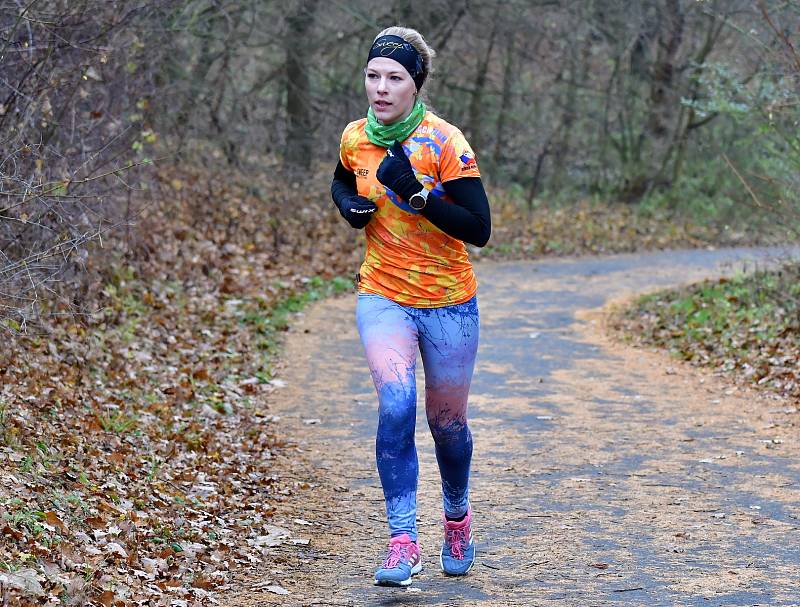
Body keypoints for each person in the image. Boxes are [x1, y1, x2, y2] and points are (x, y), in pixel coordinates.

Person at [330, 25, 491, 587]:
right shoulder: (356, 137)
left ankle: (457, 518)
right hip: (382, 294)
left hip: (449, 301)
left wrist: (420, 197)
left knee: (446, 424)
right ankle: (402, 541)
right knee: (395, 406)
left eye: (394, 77)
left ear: (415, 84)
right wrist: (349, 204)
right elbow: (342, 180)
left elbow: (479, 228)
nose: (380, 87)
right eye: (373, 76)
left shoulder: (445, 142)